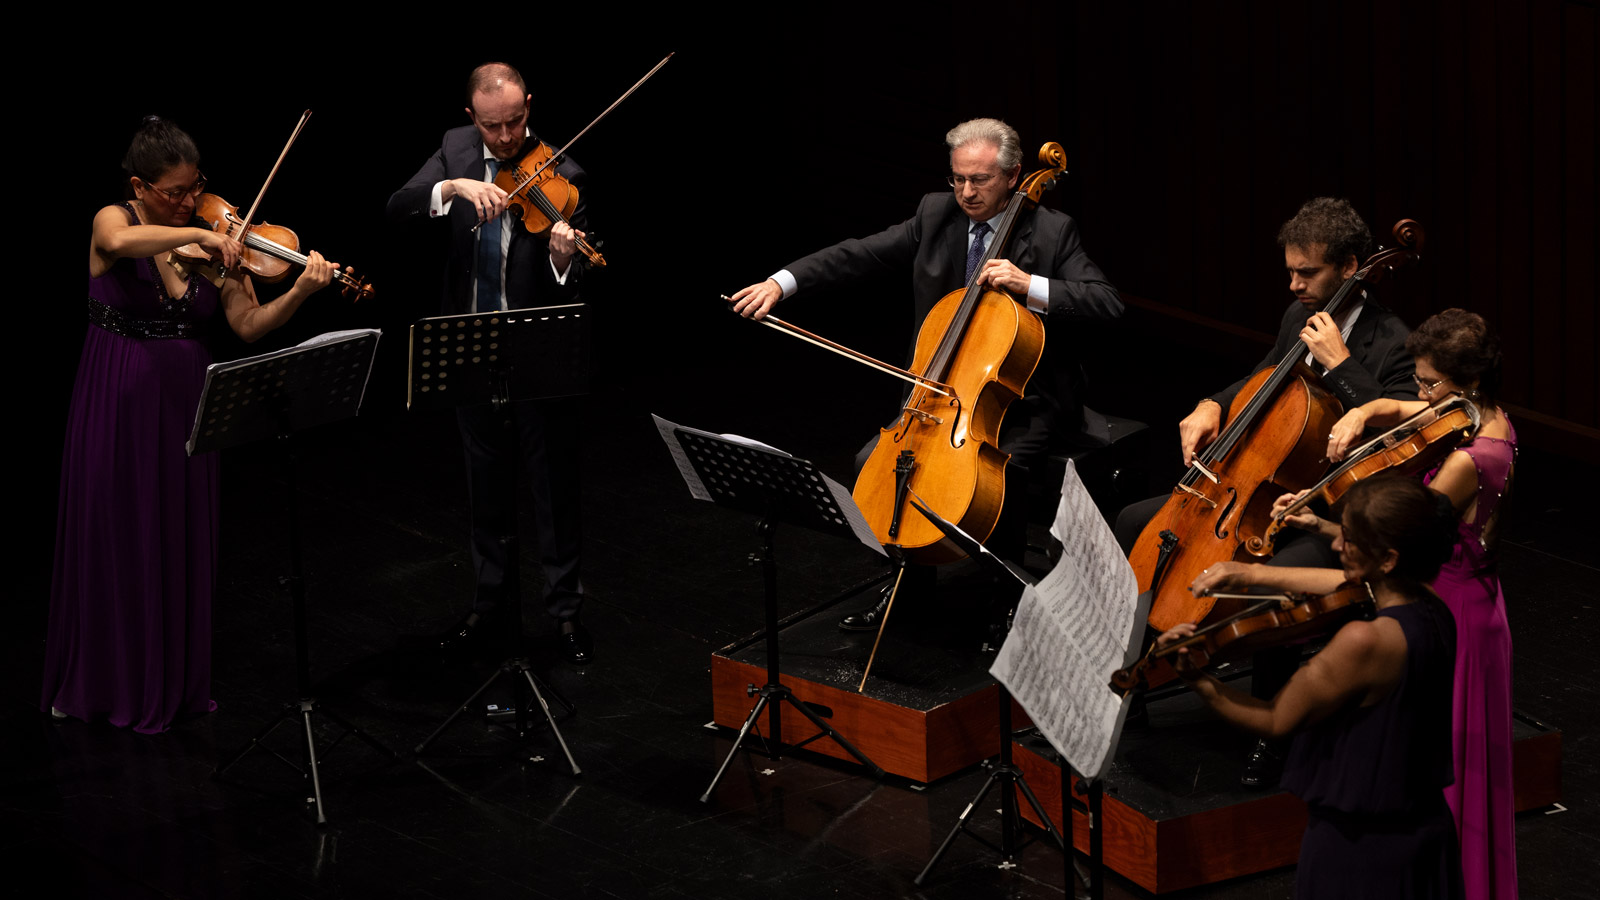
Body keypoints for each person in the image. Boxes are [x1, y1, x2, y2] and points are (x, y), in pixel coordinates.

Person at [730, 118, 1122, 630]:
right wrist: (783, 284)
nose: (966, 191)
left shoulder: (1052, 230)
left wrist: (1032, 284)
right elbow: (859, 253)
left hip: (1023, 401)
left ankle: (1007, 599)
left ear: (1013, 175)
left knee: (1000, 473)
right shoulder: (935, 214)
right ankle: (906, 591)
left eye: (979, 180)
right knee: (874, 463)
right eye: (957, 178)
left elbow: (1108, 303)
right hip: (940, 393)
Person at [42, 117, 338, 733]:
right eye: (173, 192)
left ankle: (171, 685)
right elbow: (122, 247)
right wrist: (193, 240)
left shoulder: (213, 244)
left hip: (185, 402)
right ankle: (107, 684)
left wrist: (303, 291)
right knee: (116, 532)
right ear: (139, 185)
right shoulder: (113, 220)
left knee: (175, 535)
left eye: (192, 189)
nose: (188, 202)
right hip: (117, 397)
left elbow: (249, 326)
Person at [1110, 197, 1417, 786]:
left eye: (1308, 273)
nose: (1295, 283)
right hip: (1257, 495)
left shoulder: (1392, 342)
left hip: (1335, 511)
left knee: (1275, 576)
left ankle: (1274, 733)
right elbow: (1264, 374)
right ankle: (1141, 678)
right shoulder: (1295, 315)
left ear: (1351, 266)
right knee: (1134, 521)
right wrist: (1210, 404)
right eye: (1291, 270)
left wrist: (1341, 363)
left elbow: (1395, 438)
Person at [1169, 474, 1464, 899]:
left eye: (1351, 539)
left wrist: (1199, 680)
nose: (1339, 547)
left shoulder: (1364, 642)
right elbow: (1344, 586)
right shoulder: (1436, 610)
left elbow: (1275, 719)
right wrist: (1252, 573)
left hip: (1359, 852)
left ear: (1388, 560)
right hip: (1423, 834)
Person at [387, 62, 593, 665]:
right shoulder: (454, 150)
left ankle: (564, 614)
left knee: (552, 487)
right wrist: (452, 189)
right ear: (471, 116)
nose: (506, 139)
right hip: (470, 347)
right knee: (485, 488)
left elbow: (578, 273)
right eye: (493, 127)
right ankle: (489, 607)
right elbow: (396, 207)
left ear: (530, 104)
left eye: (516, 122)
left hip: (536, 350)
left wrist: (560, 257)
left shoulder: (565, 171)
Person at [1314, 309, 1516, 900]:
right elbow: (1403, 410)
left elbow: (1400, 539)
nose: (1421, 395)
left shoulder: (1466, 462)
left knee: (1450, 777)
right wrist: (1363, 408)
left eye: (1430, 384)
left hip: (1456, 615)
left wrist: (1326, 523)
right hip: (1463, 598)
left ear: (1467, 383)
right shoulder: (1480, 414)